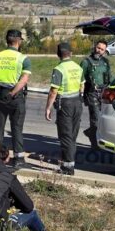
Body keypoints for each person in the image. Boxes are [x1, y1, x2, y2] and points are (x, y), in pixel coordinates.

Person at [0, 29, 32, 169]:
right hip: (15, 97)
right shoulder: (23, 59)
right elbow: (23, 80)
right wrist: (12, 93)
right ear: (18, 41)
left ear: (7, 40)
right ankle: (18, 159)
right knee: (17, 128)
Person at [45, 42, 85, 175]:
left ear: (58, 54)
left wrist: (48, 108)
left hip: (65, 104)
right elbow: (82, 86)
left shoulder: (59, 69)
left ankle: (68, 167)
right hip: (77, 102)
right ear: (71, 53)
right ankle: (66, 162)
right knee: (72, 134)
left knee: (65, 135)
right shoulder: (78, 67)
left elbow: (53, 91)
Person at [80, 40, 111, 150]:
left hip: (103, 93)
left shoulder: (106, 62)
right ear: (94, 47)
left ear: (105, 51)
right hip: (91, 93)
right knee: (95, 119)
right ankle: (95, 144)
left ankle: (90, 132)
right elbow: (80, 79)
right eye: (98, 48)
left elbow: (109, 79)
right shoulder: (86, 62)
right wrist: (81, 94)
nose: (99, 50)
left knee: (104, 120)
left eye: (102, 49)